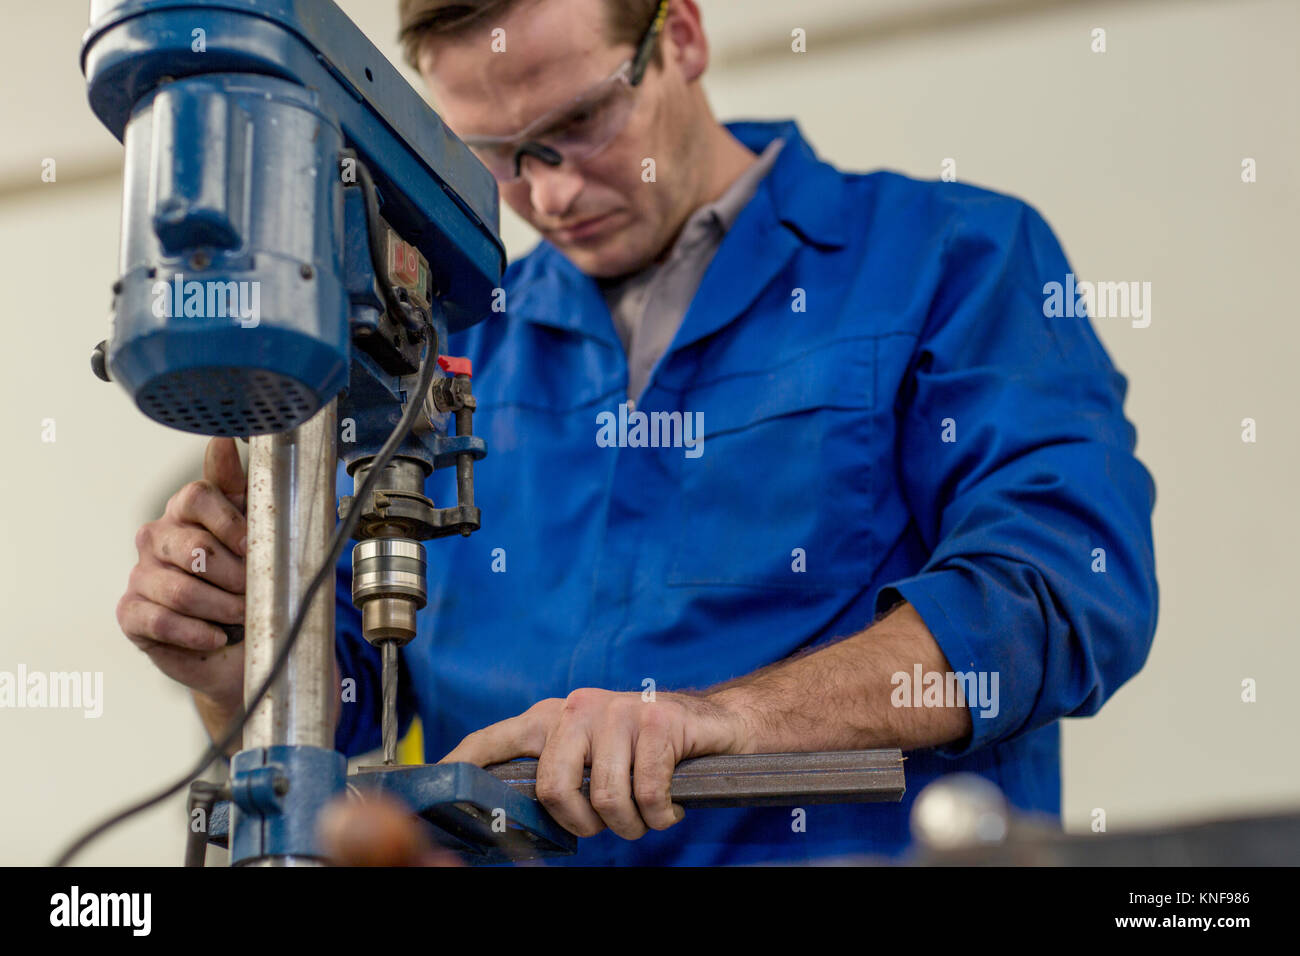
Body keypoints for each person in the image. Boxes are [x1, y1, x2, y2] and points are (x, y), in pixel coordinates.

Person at [117, 0, 1158, 865]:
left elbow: (1062, 588)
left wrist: (720, 719)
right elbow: (355, 718)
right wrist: (233, 664)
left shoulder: (950, 257)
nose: (551, 191)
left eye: (581, 124)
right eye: (498, 156)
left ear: (683, 40)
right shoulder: (445, 349)